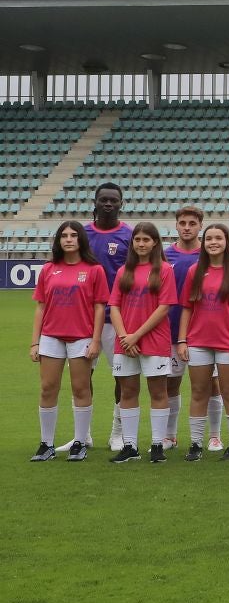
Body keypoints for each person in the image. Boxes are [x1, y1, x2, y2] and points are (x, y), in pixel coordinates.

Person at [176, 224, 229, 462]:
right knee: (199, 392)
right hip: (198, 341)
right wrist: (182, 340)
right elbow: (187, 307)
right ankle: (196, 444)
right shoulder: (195, 271)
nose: (213, 242)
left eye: (218, 238)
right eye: (209, 238)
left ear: (226, 242)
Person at [31, 220, 107, 461]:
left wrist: (96, 340)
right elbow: (41, 307)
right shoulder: (48, 269)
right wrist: (35, 342)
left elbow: (99, 308)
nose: (68, 239)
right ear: (58, 240)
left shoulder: (94, 270)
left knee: (80, 389)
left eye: (74, 235)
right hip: (51, 337)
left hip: (81, 338)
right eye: (64, 235)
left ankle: (79, 442)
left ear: (81, 239)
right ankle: (46, 444)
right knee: (47, 388)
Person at [106, 223, 175, 464]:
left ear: (155, 242)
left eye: (146, 239)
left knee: (158, 391)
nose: (141, 244)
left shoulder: (165, 270)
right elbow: (113, 306)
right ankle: (130, 446)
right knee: (128, 391)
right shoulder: (124, 270)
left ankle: (157, 445)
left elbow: (164, 307)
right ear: (132, 243)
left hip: (154, 340)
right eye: (138, 239)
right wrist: (126, 336)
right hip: (125, 342)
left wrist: (136, 336)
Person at [83, 183, 133, 452]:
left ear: (120, 204)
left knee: (122, 376)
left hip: (118, 318)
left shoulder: (129, 234)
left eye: (113, 200)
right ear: (95, 202)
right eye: (104, 199)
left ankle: (118, 433)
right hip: (85, 318)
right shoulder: (82, 234)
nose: (108, 204)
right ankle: (84, 434)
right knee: (82, 376)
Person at [162, 206, 209, 451]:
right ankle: (169, 436)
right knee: (171, 383)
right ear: (176, 225)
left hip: (204, 332)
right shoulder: (165, 256)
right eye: (183, 223)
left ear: (201, 225)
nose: (187, 227)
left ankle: (213, 436)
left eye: (192, 223)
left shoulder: (210, 255)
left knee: (211, 386)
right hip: (171, 331)